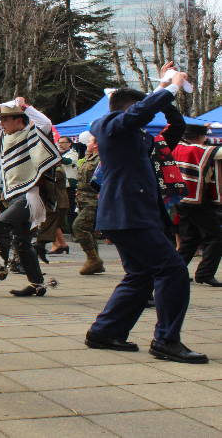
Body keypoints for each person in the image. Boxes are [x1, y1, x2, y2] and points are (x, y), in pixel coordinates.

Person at [85, 65, 207, 364]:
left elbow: (174, 125)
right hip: (129, 214)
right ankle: (166, 340)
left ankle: (105, 332)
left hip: (133, 214)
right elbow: (140, 113)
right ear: (131, 108)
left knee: (140, 275)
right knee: (173, 270)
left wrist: (167, 88)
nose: (149, 117)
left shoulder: (138, 137)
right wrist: (169, 88)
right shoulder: (108, 125)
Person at [0, 99, 61, 296]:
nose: (3, 123)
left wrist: (26, 107)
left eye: (6, 119)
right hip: (12, 195)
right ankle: (37, 285)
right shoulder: (5, 137)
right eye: (2, 120)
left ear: (19, 120)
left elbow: (46, 124)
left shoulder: (31, 134)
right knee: (22, 242)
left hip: (31, 194)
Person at [172, 124, 222, 286]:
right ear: (200, 137)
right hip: (197, 200)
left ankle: (173, 272)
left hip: (182, 198)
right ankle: (205, 274)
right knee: (216, 236)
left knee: (190, 239)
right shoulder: (194, 149)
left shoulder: (177, 147)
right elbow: (216, 152)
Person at [72, 132, 105, 275]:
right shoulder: (88, 157)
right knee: (88, 230)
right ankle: (95, 261)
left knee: (79, 227)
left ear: (97, 144)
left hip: (94, 200)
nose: (87, 144)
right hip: (83, 200)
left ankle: (93, 259)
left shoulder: (102, 159)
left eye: (90, 141)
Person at [50, 135, 78, 254]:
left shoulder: (73, 153)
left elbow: (68, 161)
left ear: (69, 144)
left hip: (68, 187)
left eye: (63, 142)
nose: (60, 144)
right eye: (59, 142)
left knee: (68, 212)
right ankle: (60, 243)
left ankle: (71, 234)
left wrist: (55, 154)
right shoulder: (60, 154)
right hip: (59, 187)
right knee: (56, 215)